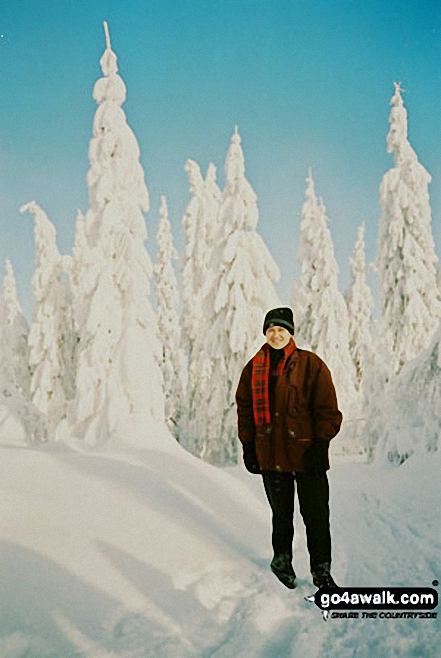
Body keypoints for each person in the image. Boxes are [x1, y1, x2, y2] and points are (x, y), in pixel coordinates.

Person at [235, 307, 342, 589]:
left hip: (307, 454)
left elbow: (328, 408)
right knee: (281, 515)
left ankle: (321, 570)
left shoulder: (310, 364)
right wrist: (248, 445)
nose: (276, 334)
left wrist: (321, 444)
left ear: (291, 333)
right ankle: (281, 560)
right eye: (271, 329)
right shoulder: (253, 368)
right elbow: (244, 409)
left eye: (281, 329)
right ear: (265, 333)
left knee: (316, 516)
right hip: (270, 455)